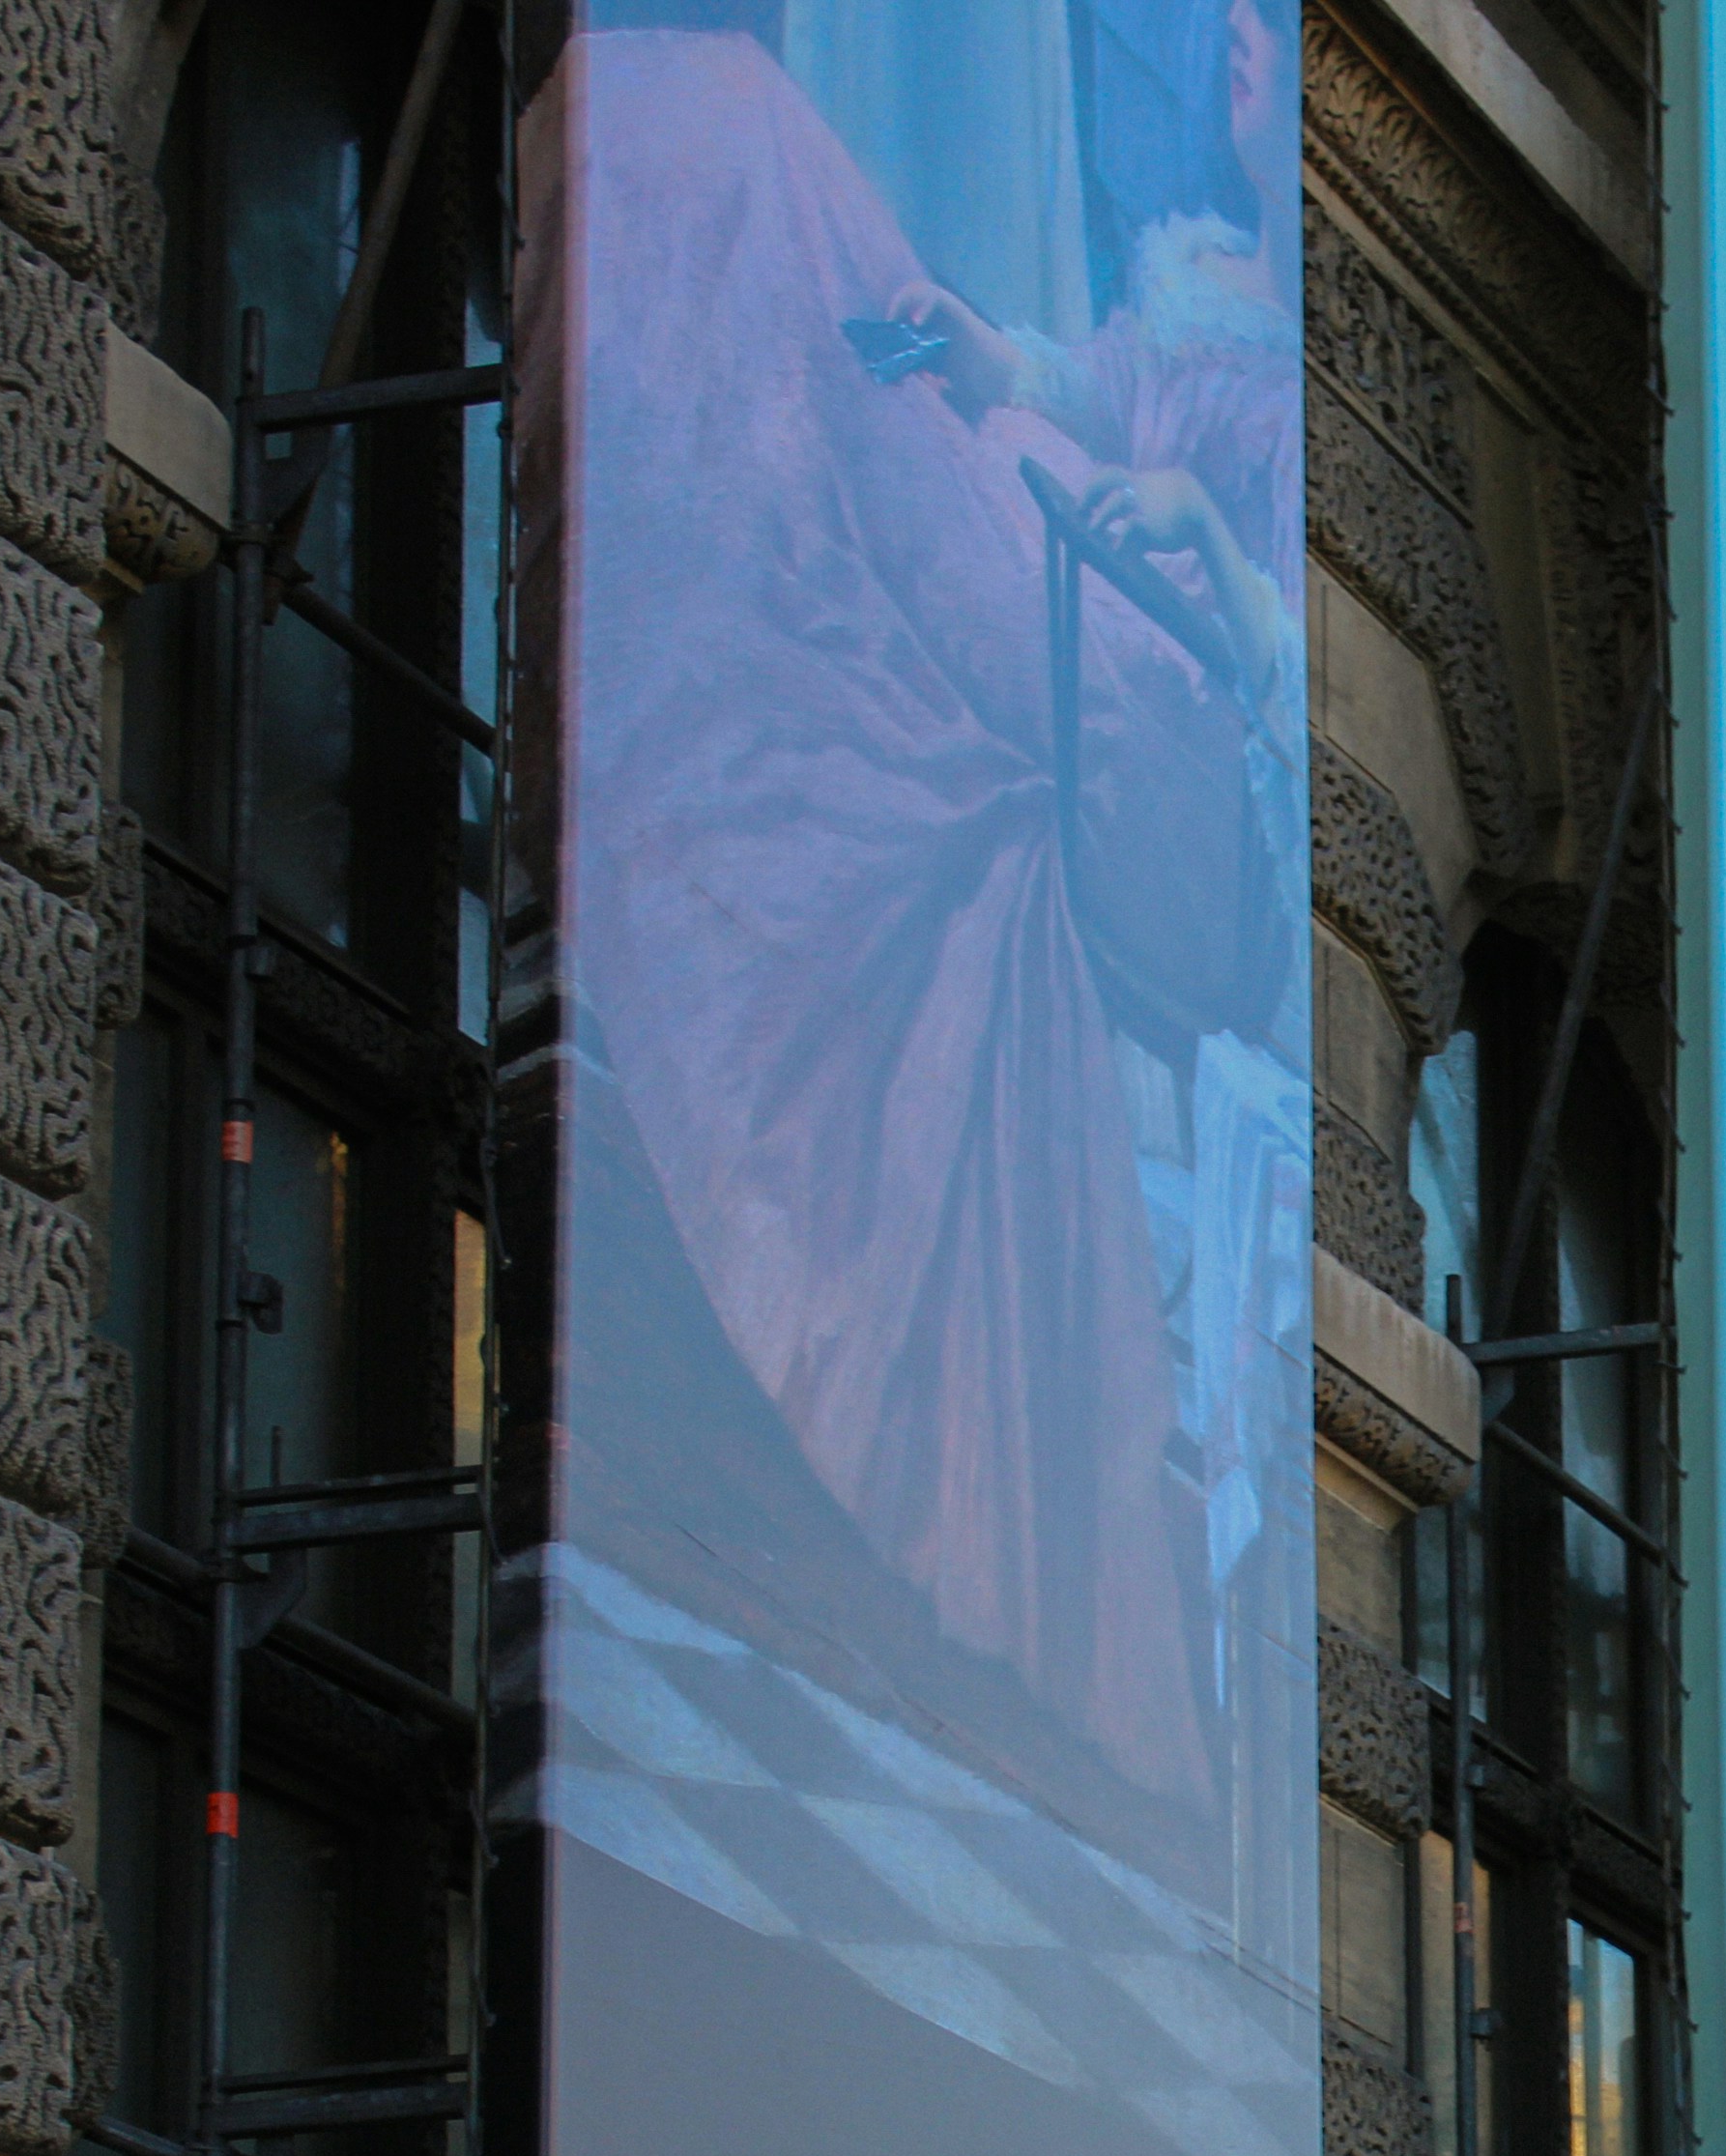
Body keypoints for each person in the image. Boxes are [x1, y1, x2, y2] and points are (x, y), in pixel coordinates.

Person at [515, 0, 1282, 1876]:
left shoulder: (1284, 364)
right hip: (1083, 557)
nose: (1251, 66)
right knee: (862, 390)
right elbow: (1079, 385)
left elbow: (1292, 678)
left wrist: (1204, 537)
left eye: (1267, 48)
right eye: (1237, 50)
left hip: (1191, 720)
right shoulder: (1198, 286)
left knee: (933, 614)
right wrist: (977, 352)